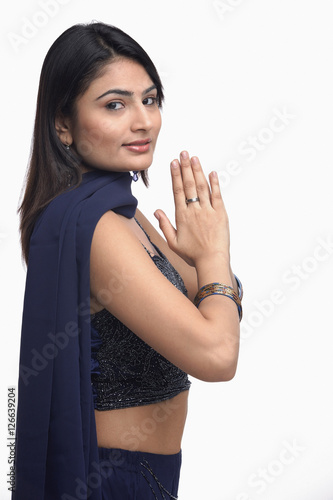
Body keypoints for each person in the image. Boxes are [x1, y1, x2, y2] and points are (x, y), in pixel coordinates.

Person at [13, 21, 243, 500]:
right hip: (116, 479)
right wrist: (215, 256)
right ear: (63, 123)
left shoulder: (121, 209)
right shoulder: (96, 228)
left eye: (151, 99)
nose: (144, 121)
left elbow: (219, 304)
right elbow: (217, 354)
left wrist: (207, 261)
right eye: (115, 104)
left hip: (149, 473)